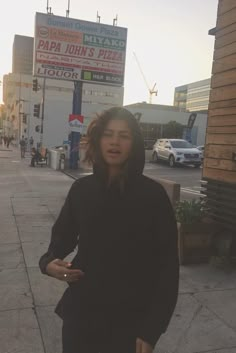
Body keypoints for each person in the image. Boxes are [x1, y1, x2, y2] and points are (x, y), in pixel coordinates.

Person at [39, 107, 179, 353]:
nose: (115, 141)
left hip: (130, 323)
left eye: (124, 136)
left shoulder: (153, 197)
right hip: (81, 318)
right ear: (98, 140)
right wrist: (49, 263)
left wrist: (151, 329)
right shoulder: (82, 190)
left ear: (134, 143)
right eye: (109, 134)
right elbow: (60, 241)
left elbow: (167, 268)